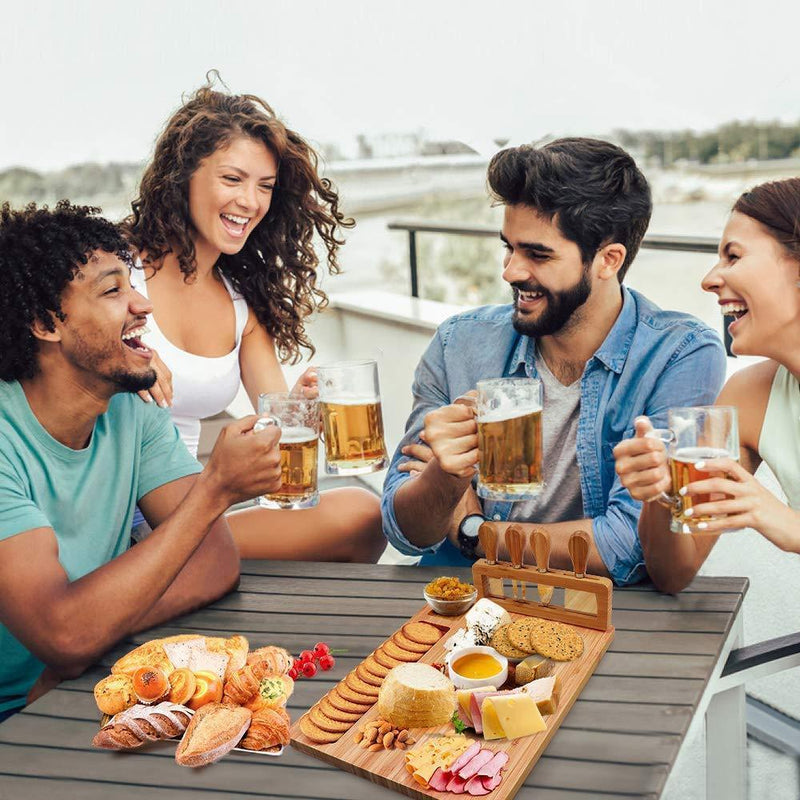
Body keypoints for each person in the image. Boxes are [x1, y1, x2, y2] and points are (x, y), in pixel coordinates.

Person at [381, 138, 727, 583]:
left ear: (608, 260)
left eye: (537, 254)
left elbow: (629, 542)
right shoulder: (459, 343)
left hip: (590, 611)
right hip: (459, 599)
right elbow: (402, 530)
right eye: (509, 247)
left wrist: (475, 532)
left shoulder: (679, 354)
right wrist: (446, 480)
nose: (510, 271)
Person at [0, 202, 284, 720]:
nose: (142, 305)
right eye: (113, 291)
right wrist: (215, 489)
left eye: (132, 284)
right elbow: (61, 631)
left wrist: (95, 637)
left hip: (86, 681)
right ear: (45, 322)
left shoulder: (129, 401)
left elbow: (216, 561)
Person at [122, 83, 384, 563]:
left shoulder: (242, 306)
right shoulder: (116, 269)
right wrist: (121, 356)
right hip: (116, 510)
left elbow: (275, 432)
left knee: (364, 514)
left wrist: (302, 407)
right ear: (183, 178)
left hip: (187, 511)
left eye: (264, 186)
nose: (251, 201)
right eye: (233, 179)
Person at [614, 178, 800, 593]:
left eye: (733, 256)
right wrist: (660, 496)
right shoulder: (749, 398)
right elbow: (673, 574)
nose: (710, 279)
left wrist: (792, 527)